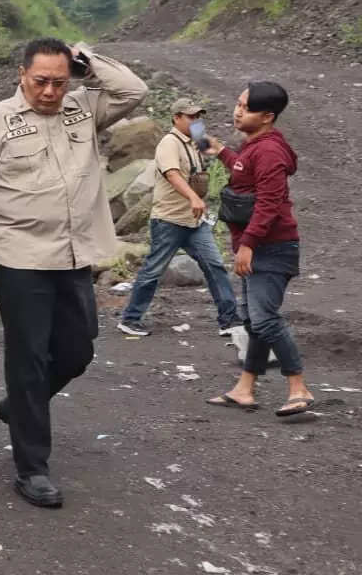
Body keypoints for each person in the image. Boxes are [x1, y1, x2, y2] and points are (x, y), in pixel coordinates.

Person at [0, 38, 147, 509]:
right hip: (19, 259)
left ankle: (18, 406)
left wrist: (88, 60)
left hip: (74, 256)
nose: (49, 91)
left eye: (59, 82)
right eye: (40, 81)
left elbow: (133, 90)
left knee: (78, 351)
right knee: (28, 361)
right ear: (22, 74)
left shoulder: (83, 109)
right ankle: (32, 468)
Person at [203, 82, 315, 418]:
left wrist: (248, 244)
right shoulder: (254, 146)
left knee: (265, 319)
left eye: (246, 107)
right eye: (238, 104)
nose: (238, 111)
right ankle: (244, 389)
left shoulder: (268, 151)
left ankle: (299, 388)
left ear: (267, 116)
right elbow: (244, 171)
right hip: (258, 246)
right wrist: (220, 151)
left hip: (272, 247)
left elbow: (269, 202)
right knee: (254, 321)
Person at [118, 98, 246, 340]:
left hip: (194, 221)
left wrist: (214, 146)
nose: (197, 121)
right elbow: (172, 174)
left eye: (199, 117)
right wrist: (193, 198)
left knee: (215, 266)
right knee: (153, 270)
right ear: (176, 118)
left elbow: (208, 159)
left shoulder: (194, 142)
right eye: (191, 117)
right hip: (170, 220)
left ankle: (229, 319)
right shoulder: (169, 142)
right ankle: (130, 319)